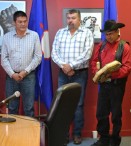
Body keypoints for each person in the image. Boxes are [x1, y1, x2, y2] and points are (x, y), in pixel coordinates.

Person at [51, 9, 94, 145]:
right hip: (63, 74)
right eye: (68, 18)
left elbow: (87, 53)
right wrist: (64, 66)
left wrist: (71, 66)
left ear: (79, 19)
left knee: (78, 105)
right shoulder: (60, 33)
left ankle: (77, 134)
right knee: (62, 105)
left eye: (73, 18)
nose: (70, 20)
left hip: (80, 73)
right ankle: (63, 135)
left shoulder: (87, 33)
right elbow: (54, 52)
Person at [90, 20, 131, 146]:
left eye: (112, 33)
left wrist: (111, 74)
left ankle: (115, 139)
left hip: (116, 85)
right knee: (101, 113)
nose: (109, 36)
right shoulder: (101, 46)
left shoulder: (124, 47)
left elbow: (127, 68)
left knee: (116, 114)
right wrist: (96, 71)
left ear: (117, 32)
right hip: (103, 85)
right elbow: (94, 62)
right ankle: (103, 139)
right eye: (107, 34)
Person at [1, 11, 42, 117]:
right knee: (12, 108)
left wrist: (25, 71)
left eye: (25, 21)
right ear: (14, 22)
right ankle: (13, 133)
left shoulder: (34, 36)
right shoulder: (7, 37)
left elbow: (38, 57)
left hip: (28, 76)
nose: (23, 24)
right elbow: (4, 59)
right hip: (11, 77)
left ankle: (30, 133)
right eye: (20, 22)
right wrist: (12, 74)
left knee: (29, 108)